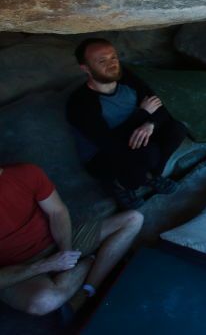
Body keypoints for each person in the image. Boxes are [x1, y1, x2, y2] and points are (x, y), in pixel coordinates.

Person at [0, 163, 142, 316]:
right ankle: (92, 262)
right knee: (43, 302)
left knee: (133, 219)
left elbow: (57, 212)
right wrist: (43, 266)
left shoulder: (25, 172)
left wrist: (65, 250)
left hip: (56, 241)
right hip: (16, 269)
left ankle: (88, 289)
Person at [66, 38, 188, 210]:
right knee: (149, 152)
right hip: (102, 155)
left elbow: (160, 108)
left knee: (177, 129)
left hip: (134, 135)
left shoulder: (127, 79)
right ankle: (121, 185)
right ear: (85, 68)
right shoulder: (80, 103)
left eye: (113, 57)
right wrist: (143, 115)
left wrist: (150, 123)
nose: (112, 64)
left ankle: (152, 175)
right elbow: (107, 142)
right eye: (102, 61)